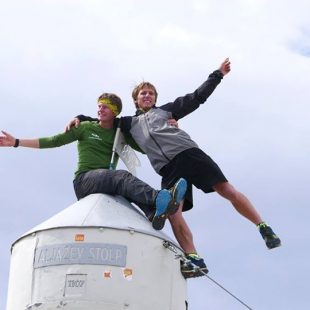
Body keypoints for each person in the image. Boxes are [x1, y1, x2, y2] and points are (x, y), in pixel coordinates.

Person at [69, 58, 281, 254]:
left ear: (155, 99)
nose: (147, 95)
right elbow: (101, 121)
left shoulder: (167, 111)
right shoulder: (127, 124)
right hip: (168, 167)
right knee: (172, 211)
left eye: (151, 93)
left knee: (226, 190)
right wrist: (79, 117)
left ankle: (262, 225)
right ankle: (193, 257)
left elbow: (196, 98)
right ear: (136, 100)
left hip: (189, 154)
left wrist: (217, 74)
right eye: (143, 93)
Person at [0, 93, 194, 263]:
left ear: (115, 111)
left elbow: (148, 145)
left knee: (125, 187)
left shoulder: (121, 133)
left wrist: (169, 127)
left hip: (107, 181)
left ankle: (153, 213)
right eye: (99, 106)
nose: (100, 109)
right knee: (122, 178)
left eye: (105, 107)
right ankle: (161, 198)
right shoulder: (84, 127)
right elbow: (54, 141)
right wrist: (16, 142)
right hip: (85, 180)